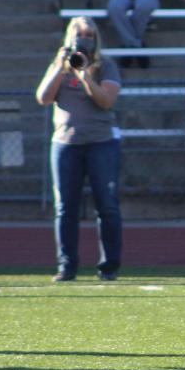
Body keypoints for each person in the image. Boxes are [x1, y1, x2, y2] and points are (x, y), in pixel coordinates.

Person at [35, 16, 123, 283]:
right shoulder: (59, 66)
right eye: (80, 35)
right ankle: (67, 266)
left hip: (101, 143)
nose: (84, 40)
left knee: (107, 207)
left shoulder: (106, 66)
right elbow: (43, 98)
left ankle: (109, 268)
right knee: (65, 208)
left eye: (89, 35)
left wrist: (86, 76)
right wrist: (61, 69)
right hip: (66, 145)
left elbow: (107, 101)